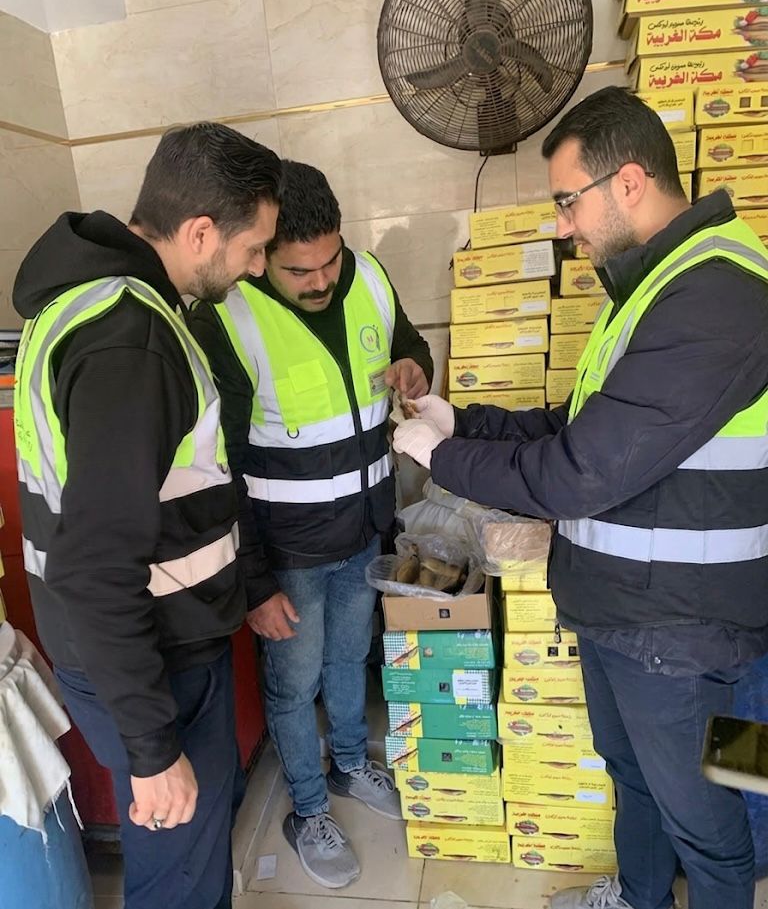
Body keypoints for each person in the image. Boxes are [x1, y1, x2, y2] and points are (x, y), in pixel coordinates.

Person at [392, 86, 768, 909]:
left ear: (628, 181)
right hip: (627, 614)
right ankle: (638, 897)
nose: (562, 225)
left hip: (683, 632)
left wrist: (446, 459)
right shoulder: (651, 287)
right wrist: (465, 420)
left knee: (708, 824)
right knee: (634, 776)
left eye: (568, 200)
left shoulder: (716, 296)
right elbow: (574, 425)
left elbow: (579, 472)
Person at [12, 123, 282, 909]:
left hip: (139, 651)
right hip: (150, 663)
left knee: (187, 856)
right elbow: (97, 567)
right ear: (200, 232)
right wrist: (153, 747)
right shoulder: (130, 339)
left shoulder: (93, 301)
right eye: (253, 247)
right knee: (179, 875)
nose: (256, 267)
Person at [190, 160, 432, 889]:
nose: (323, 280)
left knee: (349, 659)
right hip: (287, 551)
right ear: (261, 253)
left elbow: (410, 343)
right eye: (300, 270)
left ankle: (350, 764)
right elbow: (219, 468)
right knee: (294, 684)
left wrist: (413, 367)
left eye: (331, 259)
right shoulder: (228, 317)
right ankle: (306, 807)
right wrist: (255, 583)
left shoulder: (369, 277)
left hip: (364, 529)